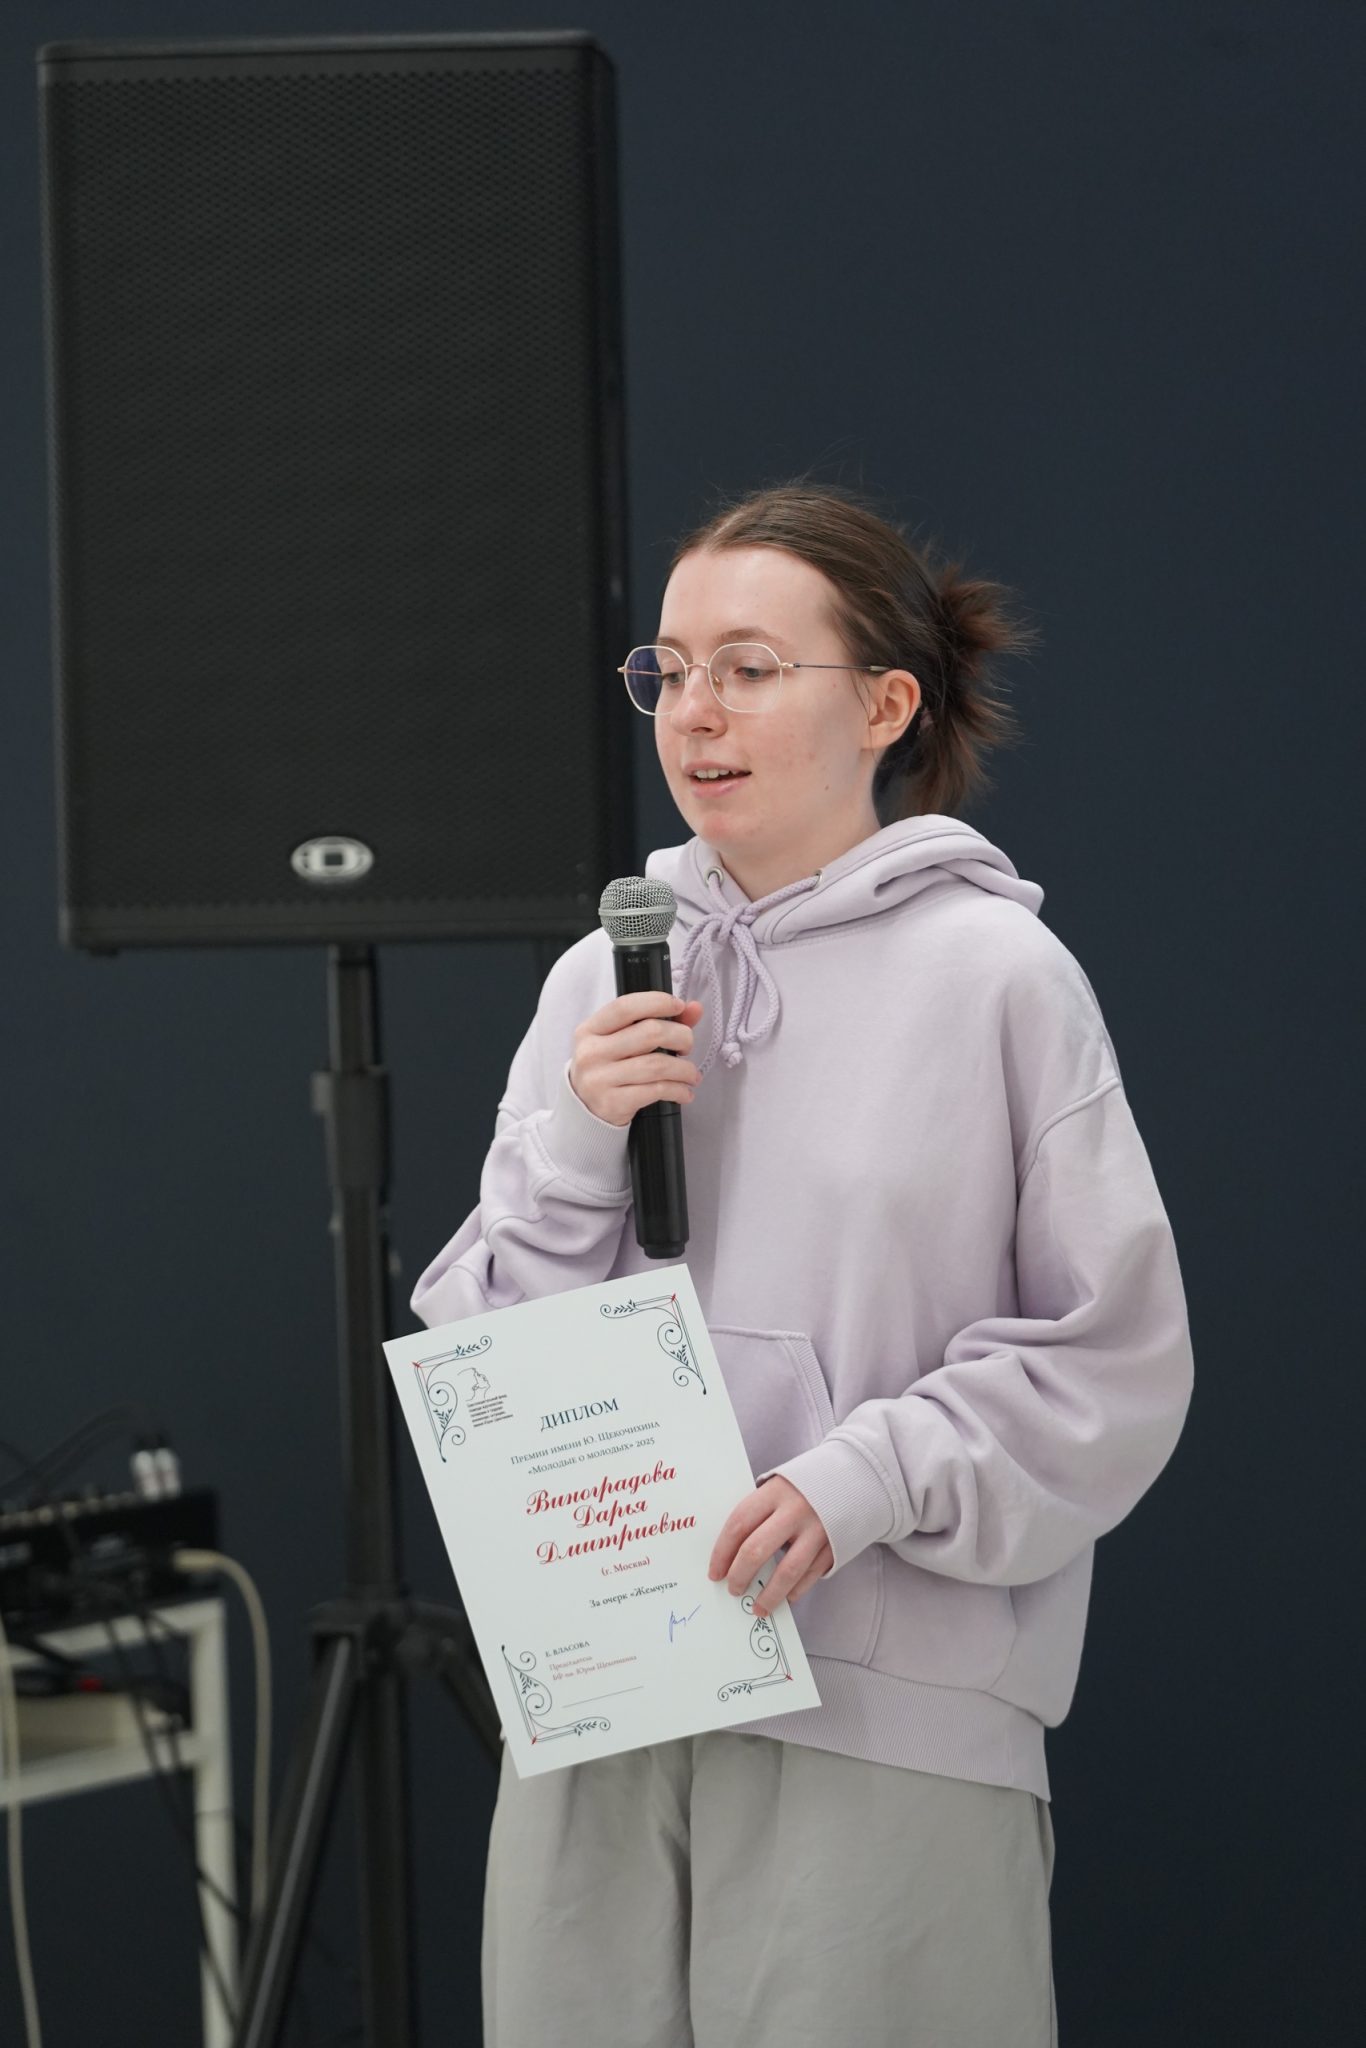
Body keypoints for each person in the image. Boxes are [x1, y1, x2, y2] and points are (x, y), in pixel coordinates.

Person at [409, 480, 1195, 2048]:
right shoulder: (600, 974)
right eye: (668, 670)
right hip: (608, 1691)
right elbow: (488, 1363)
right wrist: (577, 1141)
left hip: (883, 1716)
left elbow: (1111, 1357)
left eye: (750, 668)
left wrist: (864, 1481)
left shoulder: (997, 977)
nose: (694, 712)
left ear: (884, 706)